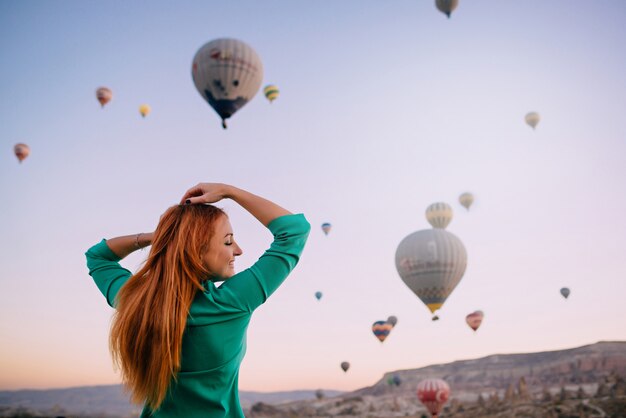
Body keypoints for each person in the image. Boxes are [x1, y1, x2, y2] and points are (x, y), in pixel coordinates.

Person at [85, 183, 310, 417]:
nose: (238, 250)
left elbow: (98, 256)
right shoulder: (231, 303)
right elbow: (294, 230)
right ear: (196, 249)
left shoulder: (135, 301)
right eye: (228, 241)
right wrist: (229, 192)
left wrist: (163, 236)